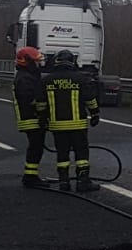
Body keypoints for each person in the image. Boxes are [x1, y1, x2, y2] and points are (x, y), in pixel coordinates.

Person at [41, 49, 100, 192]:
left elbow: (41, 103)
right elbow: (90, 99)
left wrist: (43, 119)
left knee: (62, 154)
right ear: (72, 62)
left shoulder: (47, 80)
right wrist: (95, 114)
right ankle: (83, 182)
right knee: (81, 154)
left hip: (57, 125)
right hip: (78, 125)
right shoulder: (80, 79)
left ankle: (64, 182)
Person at [12, 46, 48, 188]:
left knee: (36, 147)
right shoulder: (25, 79)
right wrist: (44, 111)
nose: (38, 65)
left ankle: (31, 175)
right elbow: (31, 99)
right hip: (31, 118)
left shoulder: (27, 76)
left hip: (32, 117)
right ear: (27, 62)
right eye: (36, 62)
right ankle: (30, 177)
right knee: (35, 147)